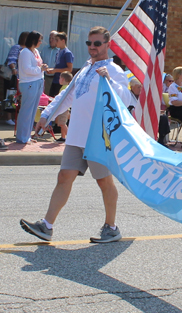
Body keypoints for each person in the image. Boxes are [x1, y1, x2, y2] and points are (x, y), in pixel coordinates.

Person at [19, 26, 131, 243]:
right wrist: (47, 115)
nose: (92, 47)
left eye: (97, 43)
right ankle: (47, 225)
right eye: (89, 43)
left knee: (104, 182)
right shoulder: (85, 69)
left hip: (99, 138)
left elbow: (126, 99)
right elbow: (67, 97)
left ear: (108, 45)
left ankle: (111, 227)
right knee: (64, 177)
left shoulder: (114, 70)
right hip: (77, 135)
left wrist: (110, 81)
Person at [16, 31, 48, 144]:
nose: (41, 42)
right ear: (33, 40)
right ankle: (22, 137)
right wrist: (40, 69)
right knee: (26, 111)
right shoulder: (25, 52)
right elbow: (26, 69)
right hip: (29, 83)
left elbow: (37, 65)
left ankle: (27, 136)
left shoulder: (36, 51)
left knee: (33, 111)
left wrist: (42, 68)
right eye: (39, 40)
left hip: (38, 82)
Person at [46, 32, 74, 97]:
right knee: (51, 97)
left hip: (62, 82)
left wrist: (55, 70)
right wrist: (52, 70)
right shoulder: (58, 51)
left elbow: (69, 69)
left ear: (63, 41)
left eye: (57, 40)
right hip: (56, 79)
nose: (55, 42)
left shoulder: (67, 53)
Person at [54, 71, 73, 142]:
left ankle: (70, 138)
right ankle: (63, 137)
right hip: (66, 108)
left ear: (62, 79)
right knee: (63, 123)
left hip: (64, 109)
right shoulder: (67, 87)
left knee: (62, 124)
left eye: (59, 78)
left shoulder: (64, 88)